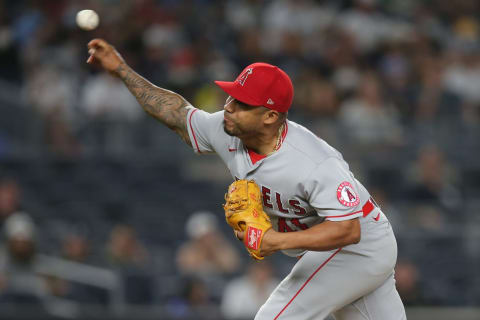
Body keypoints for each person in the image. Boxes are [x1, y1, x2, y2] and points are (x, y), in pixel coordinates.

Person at [86, 38, 406, 319]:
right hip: (341, 248)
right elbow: (175, 113)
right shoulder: (227, 130)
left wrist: (275, 241)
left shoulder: (314, 162)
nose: (228, 107)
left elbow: (347, 229)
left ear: (270, 116)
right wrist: (122, 71)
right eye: (230, 97)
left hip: (358, 245)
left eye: (241, 103)